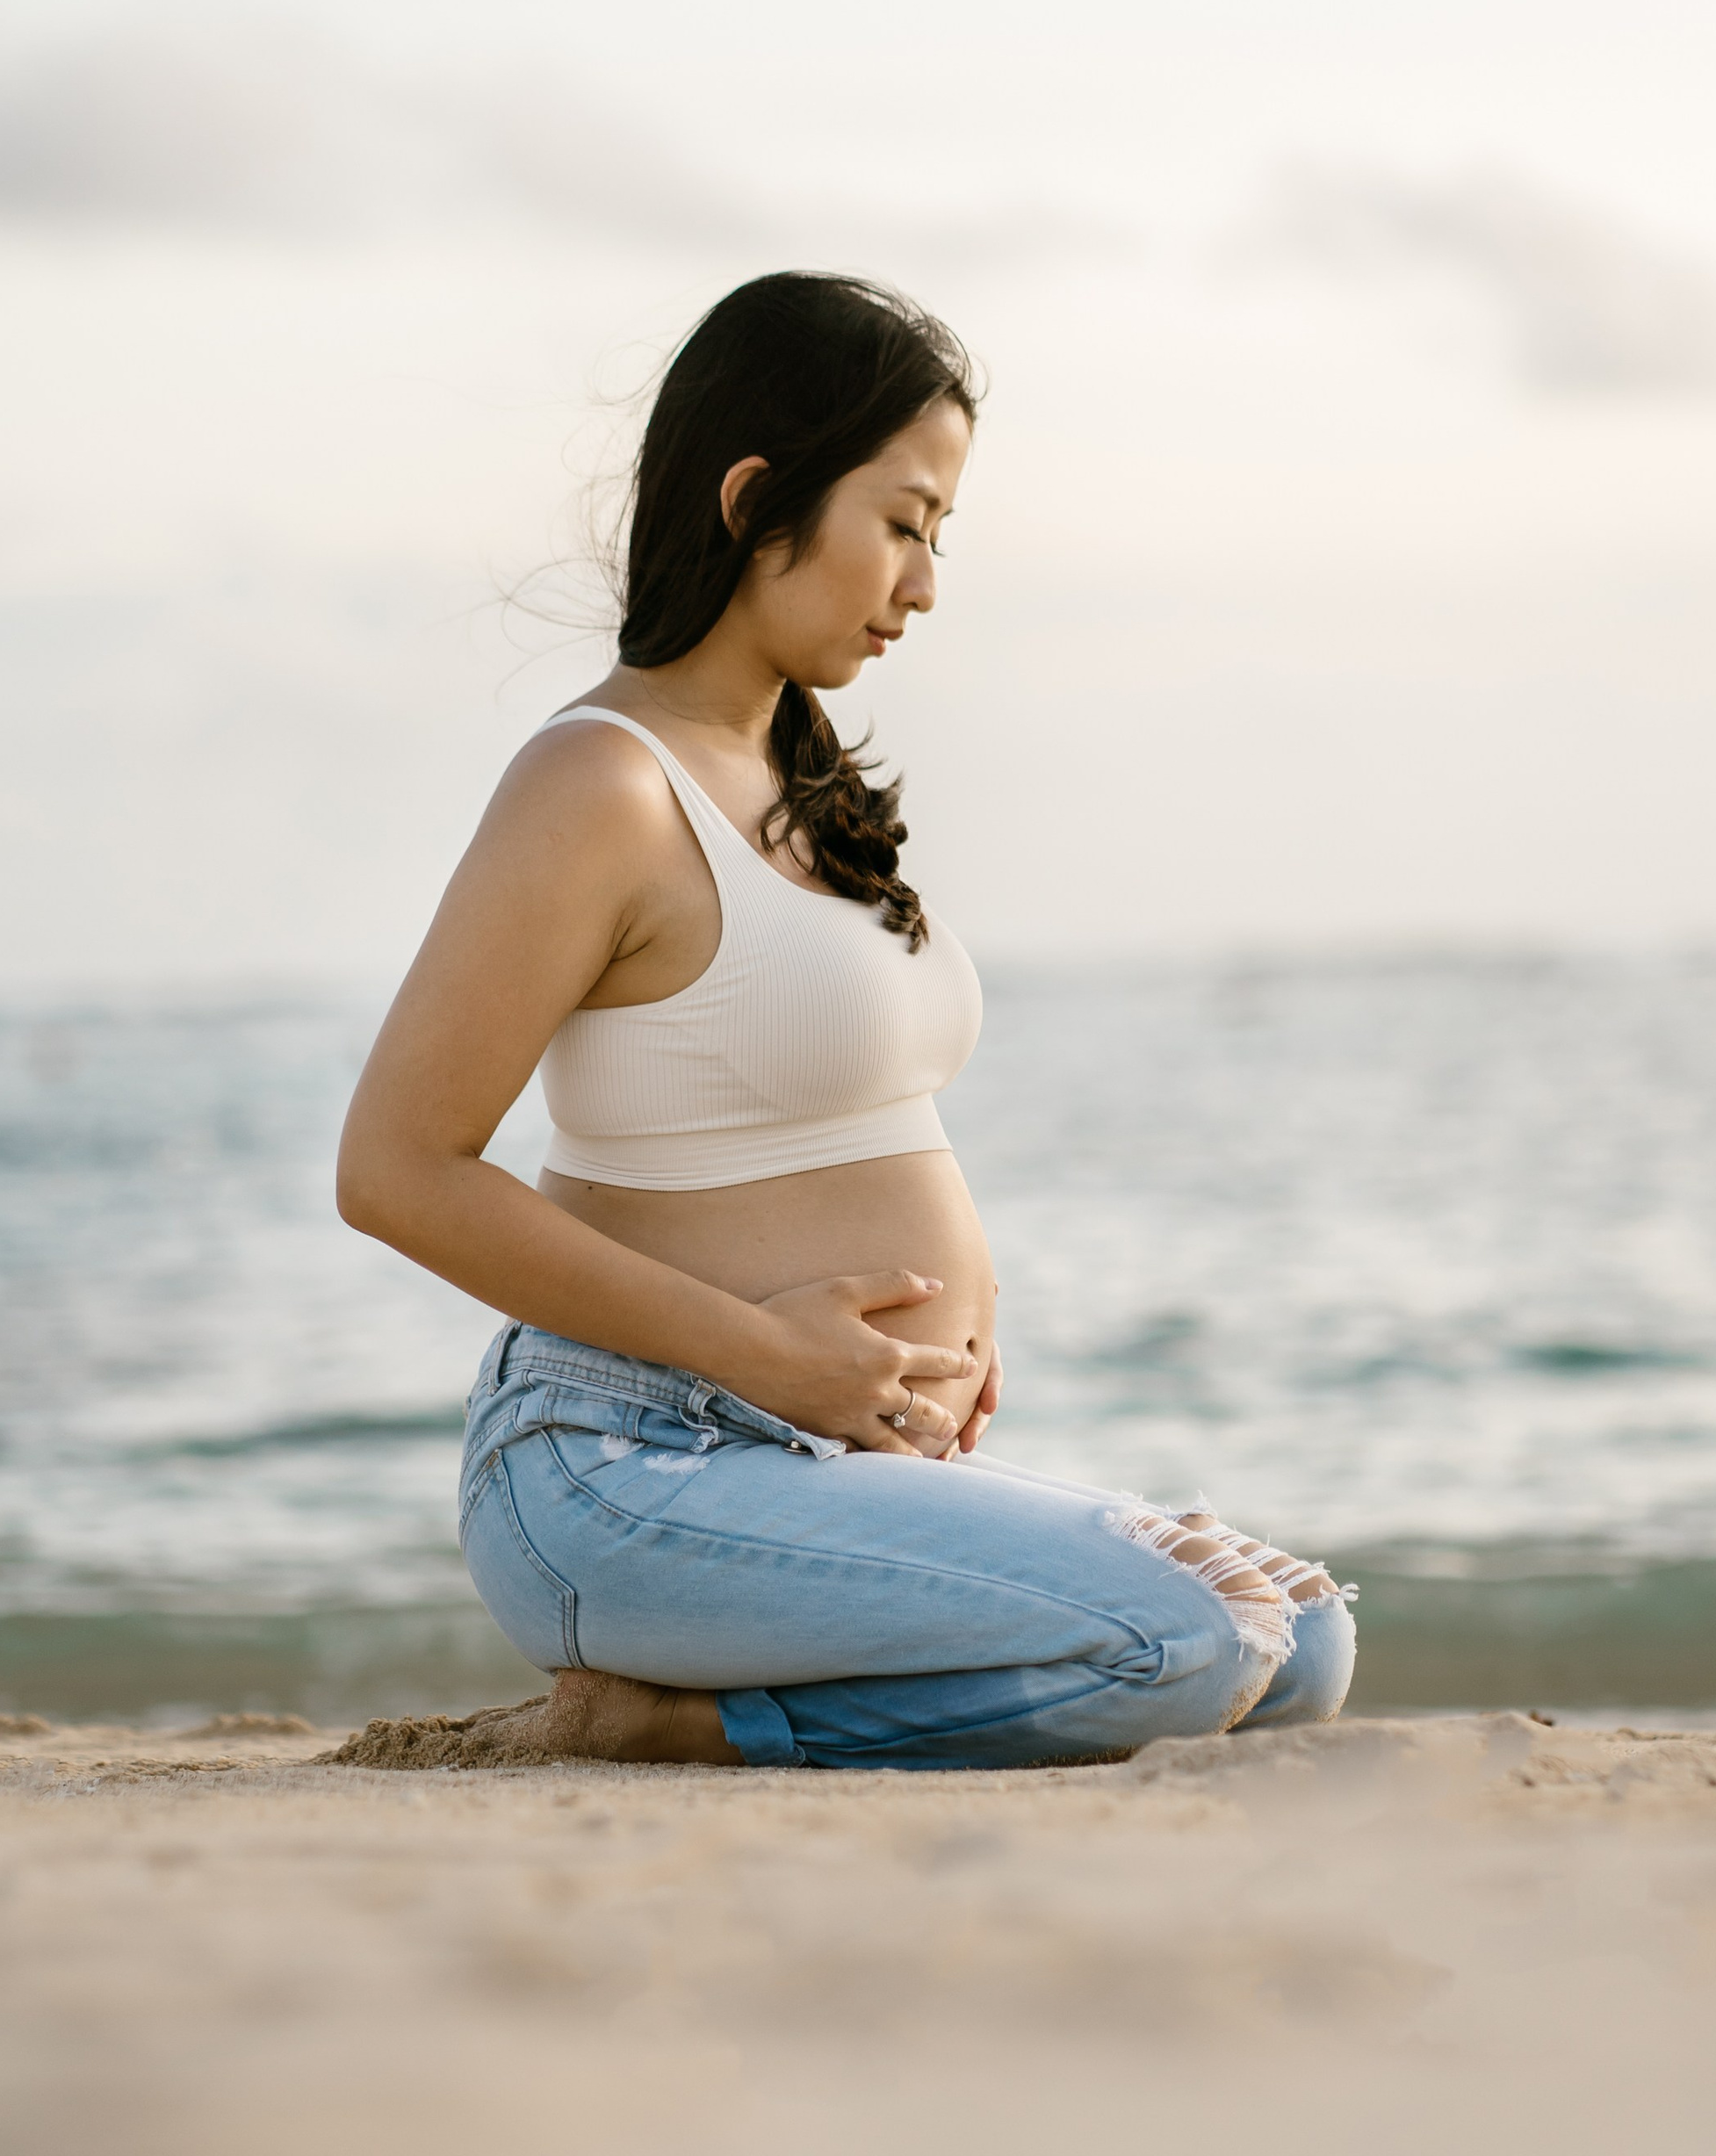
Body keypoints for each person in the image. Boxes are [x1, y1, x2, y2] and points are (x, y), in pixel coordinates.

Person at [335, 272, 1354, 1768]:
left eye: (939, 536)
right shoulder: (600, 787)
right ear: (759, 501)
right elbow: (396, 1170)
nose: (926, 584)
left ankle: (726, 1704)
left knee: (1304, 1641)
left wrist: (936, 1329)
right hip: (624, 1464)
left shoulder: (800, 794)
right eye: (904, 522)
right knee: (1188, 1644)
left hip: (814, 1447)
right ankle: (676, 1723)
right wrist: (766, 1351)